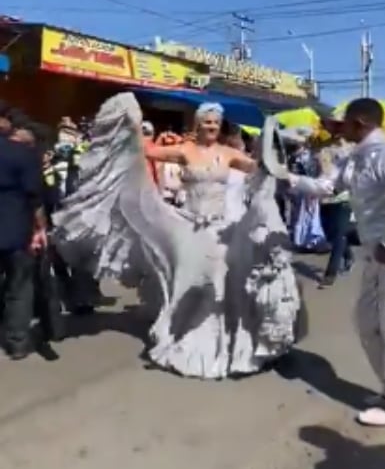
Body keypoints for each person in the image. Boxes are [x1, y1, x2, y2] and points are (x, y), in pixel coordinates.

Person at [52, 96, 302, 379]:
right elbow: (145, 152)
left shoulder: (228, 153)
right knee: (186, 281)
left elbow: (258, 169)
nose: (211, 127)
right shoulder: (184, 150)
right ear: (197, 124)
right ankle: (181, 334)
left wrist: (271, 147)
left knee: (220, 284)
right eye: (207, 122)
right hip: (188, 226)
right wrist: (132, 129)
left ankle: (223, 343)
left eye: (216, 123)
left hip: (221, 229)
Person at [288, 98, 385, 427]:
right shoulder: (357, 155)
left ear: (361, 123)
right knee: (367, 323)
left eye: (346, 122)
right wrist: (287, 178)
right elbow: (327, 186)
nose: (340, 127)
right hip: (375, 252)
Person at [0, 116, 47, 359]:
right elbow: (34, 197)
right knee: (19, 287)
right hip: (16, 230)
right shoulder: (22, 154)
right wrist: (41, 228)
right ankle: (17, 341)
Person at [316, 134, 355, 286]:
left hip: (343, 197)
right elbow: (319, 171)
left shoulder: (352, 148)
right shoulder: (322, 146)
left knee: (338, 234)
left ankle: (330, 274)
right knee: (330, 234)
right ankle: (348, 254)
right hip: (324, 196)